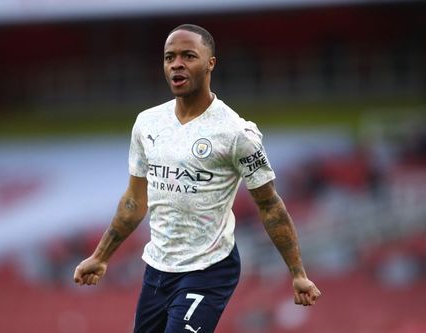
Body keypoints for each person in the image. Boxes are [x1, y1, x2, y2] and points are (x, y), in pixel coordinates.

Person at [73, 23, 321, 332]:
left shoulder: (235, 133)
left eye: (188, 56)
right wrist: (100, 256)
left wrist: (297, 273)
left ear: (210, 63)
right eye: (169, 57)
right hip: (158, 268)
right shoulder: (147, 123)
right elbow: (136, 200)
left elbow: (270, 205)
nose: (176, 63)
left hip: (209, 268)